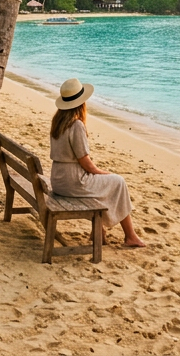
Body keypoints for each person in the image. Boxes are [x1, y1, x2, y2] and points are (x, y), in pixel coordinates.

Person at [49, 78, 145, 248]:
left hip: (58, 180)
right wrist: (103, 172)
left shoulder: (57, 122)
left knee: (105, 184)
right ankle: (130, 236)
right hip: (73, 181)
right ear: (81, 103)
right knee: (118, 182)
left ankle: (98, 231)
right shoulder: (76, 124)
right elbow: (86, 163)